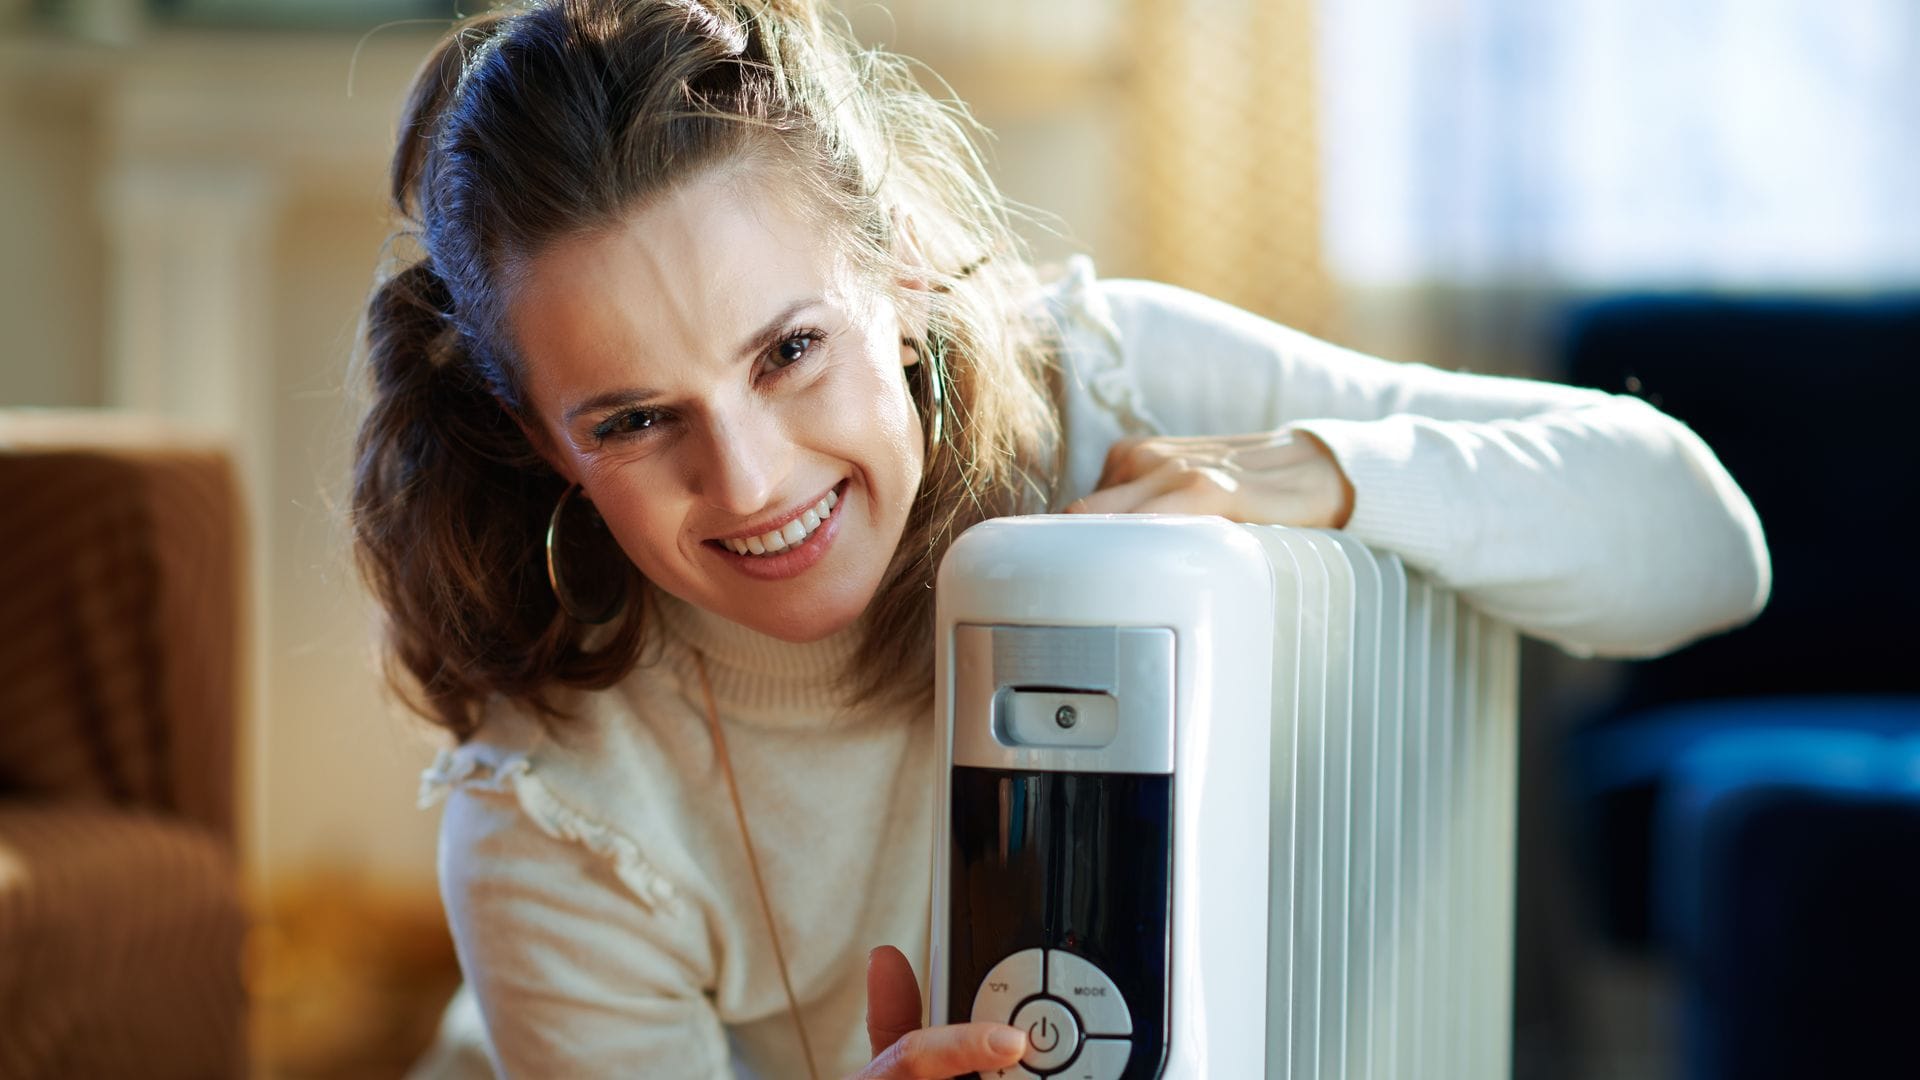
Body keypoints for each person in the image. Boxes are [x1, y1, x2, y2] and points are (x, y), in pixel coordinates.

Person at [350, 1, 1769, 1077]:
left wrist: (1319, 475)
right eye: (635, 420)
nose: (749, 477)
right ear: (544, 440)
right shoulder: (558, 817)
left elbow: (1707, 550)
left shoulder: (1101, 381)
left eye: (790, 349)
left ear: (897, 278)